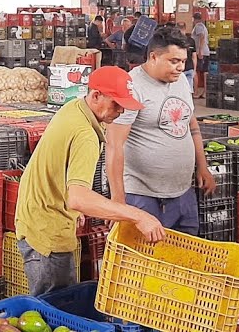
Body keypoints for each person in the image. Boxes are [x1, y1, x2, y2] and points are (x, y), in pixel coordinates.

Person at [14, 66, 166, 296]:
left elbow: (61, 170)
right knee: (54, 306)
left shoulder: (74, 108)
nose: (121, 110)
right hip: (46, 230)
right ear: (96, 96)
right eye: (116, 103)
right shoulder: (85, 135)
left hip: (36, 214)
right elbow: (78, 197)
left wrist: (78, 208)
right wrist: (138, 216)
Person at [107, 27, 217, 237]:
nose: (180, 67)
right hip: (143, 195)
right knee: (147, 261)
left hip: (183, 192)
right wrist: (118, 203)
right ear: (153, 57)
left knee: (185, 255)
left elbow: (191, 125)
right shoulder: (131, 87)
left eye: (183, 61)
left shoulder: (181, 81)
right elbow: (114, 145)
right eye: (173, 61)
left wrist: (203, 167)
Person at [191, 13, 210, 91]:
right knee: (205, 72)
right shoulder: (203, 26)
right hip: (206, 51)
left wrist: (200, 51)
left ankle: (196, 91)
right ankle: (205, 91)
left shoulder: (198, 26)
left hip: (201, 52)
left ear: (194, 19)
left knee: (197, 71)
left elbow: (201, 37)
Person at [177, 22, 197, 89]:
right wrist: (194, 70)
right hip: (189, 68)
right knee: (189, 90)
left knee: (179, 91)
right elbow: (194, 57)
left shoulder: (175, 41)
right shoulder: (191, 41)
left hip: (179, 69)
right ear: (185, 28)